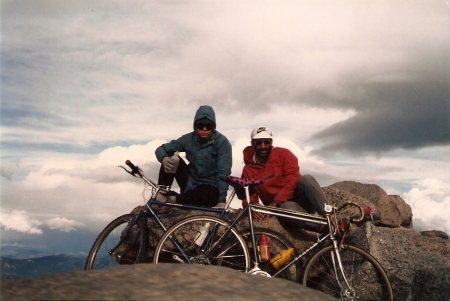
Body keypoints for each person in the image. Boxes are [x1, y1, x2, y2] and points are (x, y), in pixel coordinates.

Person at [240, 126, 328, 232]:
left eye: (266, 142)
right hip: (284, 208)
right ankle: (325, 229)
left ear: (271, 142)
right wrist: (253, 206)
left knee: (306, 179)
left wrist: (274, 203)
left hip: (301, 200)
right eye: (258, 143)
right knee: (285, 208)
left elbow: (292, 179)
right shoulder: (248, 169)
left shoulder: (284, 154)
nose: (263, 146)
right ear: (252, 144)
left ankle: (330, 217)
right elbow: (247, 193)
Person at [154, 105, 232, 211]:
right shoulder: (187, 139)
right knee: (170, 154)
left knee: (208, 195)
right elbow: (161, 149)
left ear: (213, 127)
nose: (204, 129)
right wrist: (163, 158)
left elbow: (223, 173)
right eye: (200, 126)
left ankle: (173, 199)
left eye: (208, 126)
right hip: (190, 181)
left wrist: (221, 200)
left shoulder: (222, 143)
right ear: (195, 126)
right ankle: (162, 194)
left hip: (209, 187)